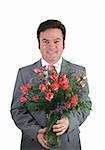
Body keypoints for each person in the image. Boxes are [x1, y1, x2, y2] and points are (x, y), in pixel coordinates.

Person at [11, 19, 91, 150]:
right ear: (39, 44)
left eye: (56, 41)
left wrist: (69, 122)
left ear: (63, 44)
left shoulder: (78, 72)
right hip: (33, 144)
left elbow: (85, 106)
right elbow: (17, 110)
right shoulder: (24, 74)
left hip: (69, 145)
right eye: (45, 41)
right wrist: (36, 132)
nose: (51, 46)